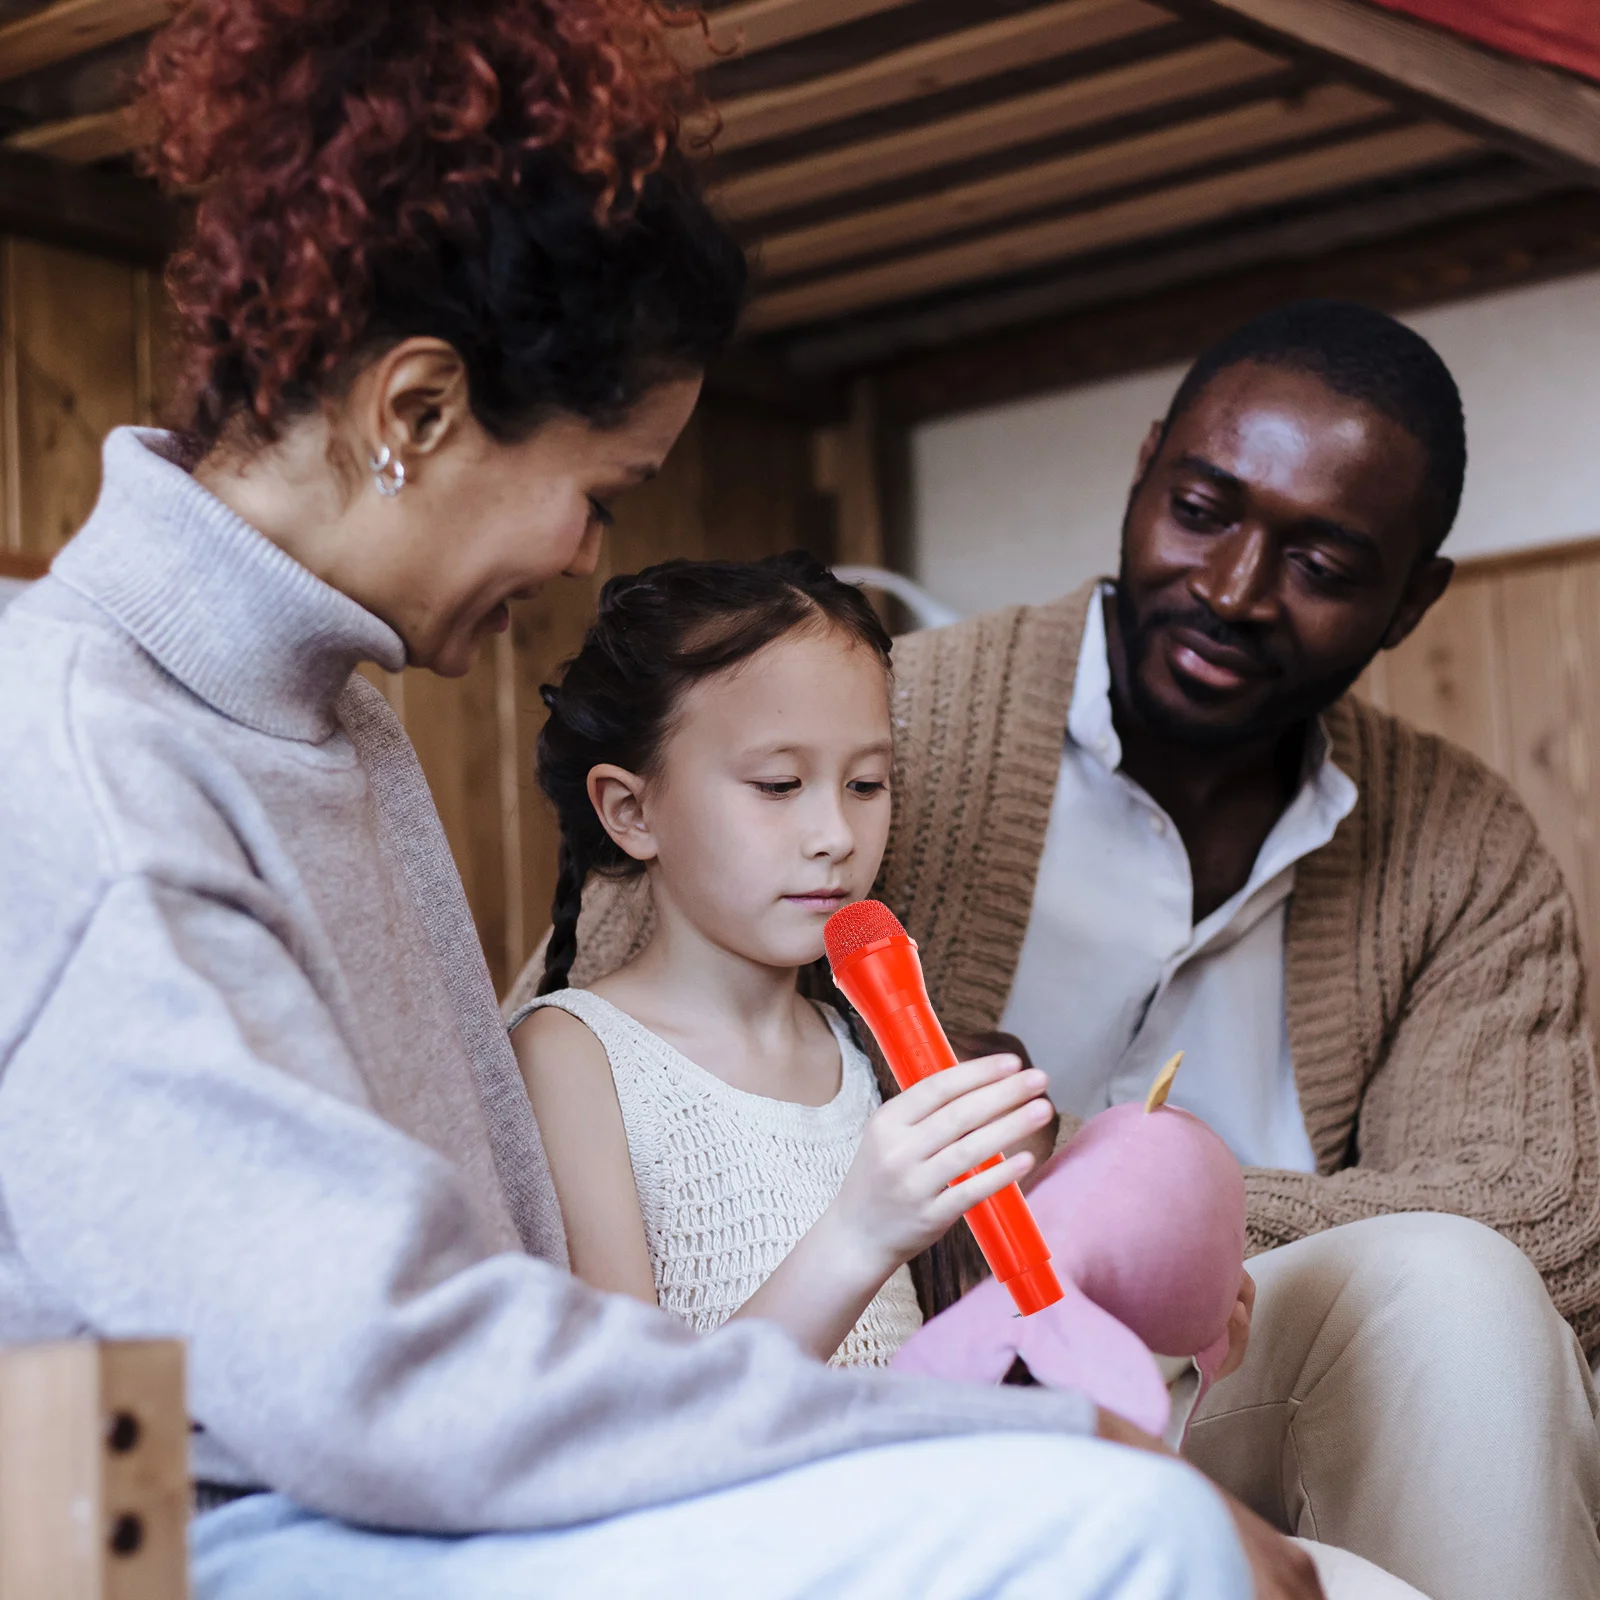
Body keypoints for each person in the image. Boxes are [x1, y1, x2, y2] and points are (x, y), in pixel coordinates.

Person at [0, 1, 1314, 1595]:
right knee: (1137, 1535)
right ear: (415, 412)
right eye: (596, 492)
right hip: (236, 1542)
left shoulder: (325, 709)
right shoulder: (83, 764)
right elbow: (382, 1385)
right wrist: (997, 1449)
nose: (585, 558)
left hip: (426, 1498)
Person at [533, 300, 1600, 1600]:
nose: (1232, 590)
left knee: (1456, 1284)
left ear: (1414, 598)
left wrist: (1159, 1220)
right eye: (1203, 509)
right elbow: (600, 1000)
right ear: (1144, 466)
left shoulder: (1460, 844)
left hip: (1220, 1347)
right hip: (946, 1393)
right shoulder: (868, 711)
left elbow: (1548, 1220)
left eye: (1321, 567)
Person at [510, 552, 1059, 1366]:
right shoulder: (571, 1060)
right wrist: (857, 1233)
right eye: (777, 785)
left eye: (866, 784)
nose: (836, 836)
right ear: (631, 811)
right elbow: (628, 1424)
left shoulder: (868, 1054)